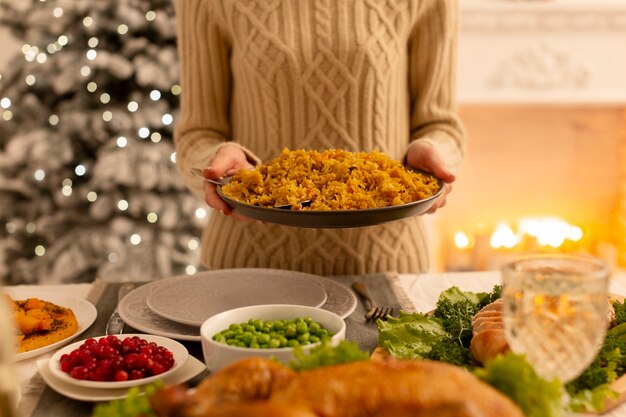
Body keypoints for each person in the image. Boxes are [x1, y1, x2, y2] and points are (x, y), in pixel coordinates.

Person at [173, 0, 466, 276]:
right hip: (250, 267)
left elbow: (440, 123)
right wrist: (219, 165)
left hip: (384, 271)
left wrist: (431, 153)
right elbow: (197, 134)